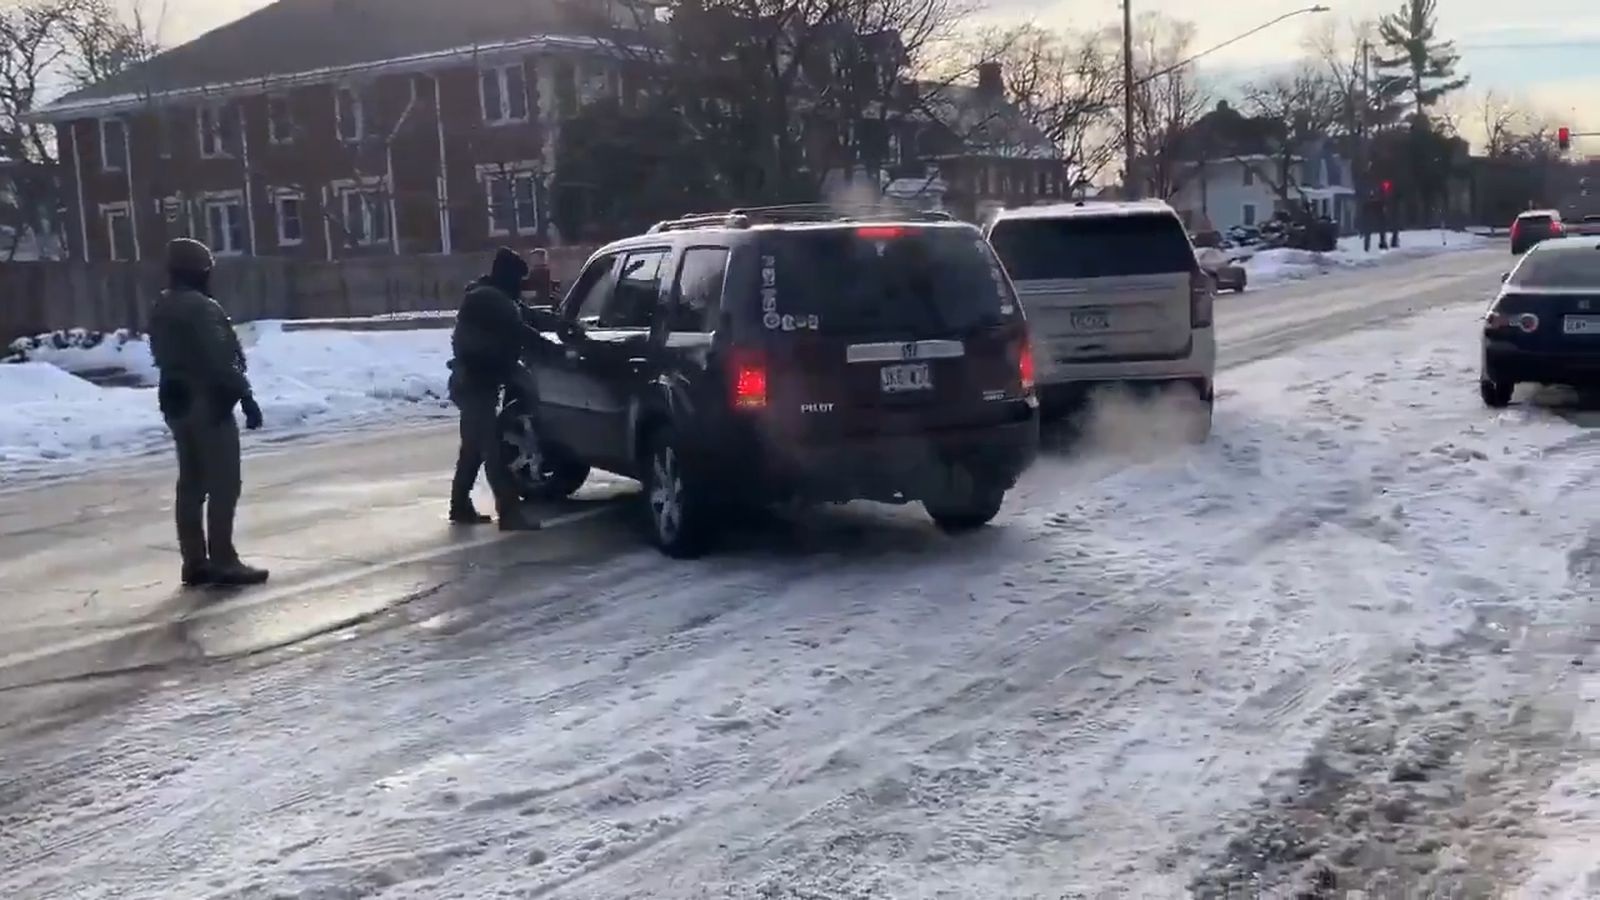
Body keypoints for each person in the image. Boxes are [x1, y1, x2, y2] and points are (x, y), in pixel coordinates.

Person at [147, 238, 270, 587]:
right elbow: (220, 358)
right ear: (201, 272)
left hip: (174, 397)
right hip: (207, 398)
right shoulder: (201, 307)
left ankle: (194, 561)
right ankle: (223, 559)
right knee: (224, 482)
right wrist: (245, 396)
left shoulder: (162, 305)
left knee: (190, 483)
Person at [447, 247, 550, 531]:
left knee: (473, 447)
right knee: (492, 449)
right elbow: (523, 331)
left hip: (471, 382)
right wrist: (556, 348)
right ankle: (509, 512)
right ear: (508, 277)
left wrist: (558, 324)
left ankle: (459, 505)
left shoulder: (485, 295)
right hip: (476, 383)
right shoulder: (493, 301)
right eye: (519, 279)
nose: (521, 287)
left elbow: (526, 318)